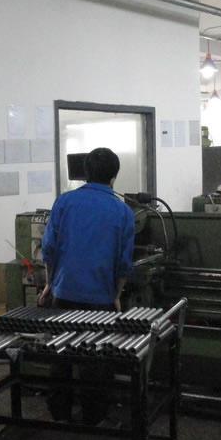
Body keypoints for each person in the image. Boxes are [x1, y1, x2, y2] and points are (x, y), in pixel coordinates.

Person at [39, 147, 135, 424]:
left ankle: (60, 414)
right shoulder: (123, 210)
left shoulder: (64, 202)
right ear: (114, 177)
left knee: (60, 355)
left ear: (86, 172)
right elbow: (124, 262)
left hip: (64, 293)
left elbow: (49, 249)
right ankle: (93, 418)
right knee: (96, 360)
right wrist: (116, 295)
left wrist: (49, 284)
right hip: (100, 299)